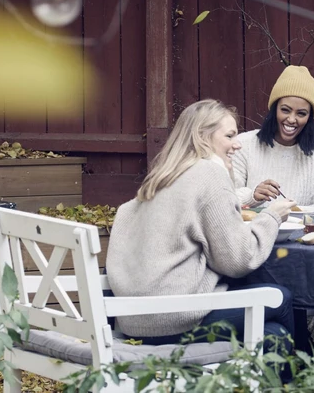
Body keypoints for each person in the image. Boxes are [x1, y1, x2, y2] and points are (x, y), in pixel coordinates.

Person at [106, 99, 297, 352]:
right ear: (202, 137)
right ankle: (311, 377)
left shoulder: (162, 177)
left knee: (274, 335)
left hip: (134, 320)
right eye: (229, 136)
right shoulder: (209, 173)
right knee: (280, 298)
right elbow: (237, 260)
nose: (237, 144)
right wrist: (271, 216)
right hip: (171, 319)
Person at [232, 65, 314, 213]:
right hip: (253, 231)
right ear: (274, 109)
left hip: (302, 232)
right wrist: (252, 195)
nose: (292, 119)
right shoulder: (244, 144)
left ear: (310, 117)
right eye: (285, 110)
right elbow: (226, 197)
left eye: (301, 113)